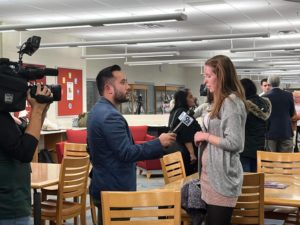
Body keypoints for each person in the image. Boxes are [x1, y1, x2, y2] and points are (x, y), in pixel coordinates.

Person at [87, 64, 176, 225]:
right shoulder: (110, 116)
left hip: (105, 184)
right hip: (115, 190)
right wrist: (158, 143)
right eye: (123, 82)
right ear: (109, 88)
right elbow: (126, 153)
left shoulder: (96, 111)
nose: (128, 87)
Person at [194, 55, 247, 225]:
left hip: (222, 177)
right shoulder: (218, 101)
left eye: (208, 76)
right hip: (210, 175)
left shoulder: (231, 103)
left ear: (221, 76)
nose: (205, 81)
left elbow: (235, 143)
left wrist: (206, 136)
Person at [0, 84, 51, 225]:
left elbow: (27, 139)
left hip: (14, 206)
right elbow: (25, 152)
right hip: (8, 210)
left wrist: (42, 111)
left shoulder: (6, 118)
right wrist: (36, 110)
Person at [240, 78, 272, 172]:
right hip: (261, 147)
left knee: (246, 180)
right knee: (257, 179)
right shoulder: (266, 103)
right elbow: (268, 125)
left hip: (245, 148)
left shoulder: (243, 105)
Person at [168, 88, 202, 175]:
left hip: (179, 151)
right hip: (187, 154)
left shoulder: (175, 111)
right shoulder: (183, 113)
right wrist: (192, 154)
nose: (193, 98)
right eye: (190, 97)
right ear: (184, 99)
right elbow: (186, 135)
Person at [264, 75, 295, 152]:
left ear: (269, 83)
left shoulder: (265, 97)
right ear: (279, 83)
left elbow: (264, 116)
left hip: (270, 132)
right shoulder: (288, 95)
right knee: (285, 160)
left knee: (271, 160)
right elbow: (292, 113)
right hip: (286, 132)